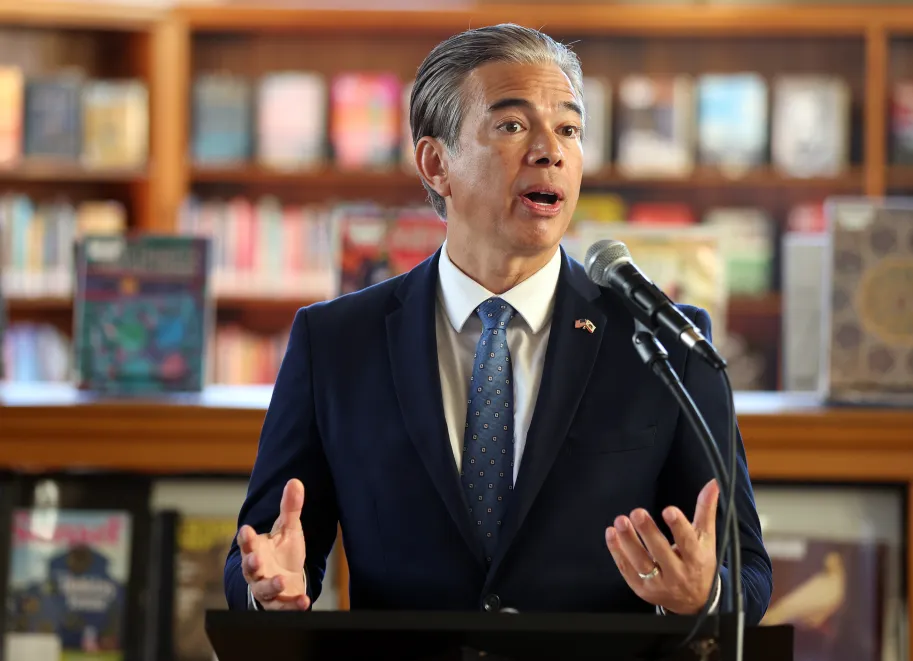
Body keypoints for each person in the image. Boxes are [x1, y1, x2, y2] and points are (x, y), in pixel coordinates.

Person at [224, 23, 772, 620]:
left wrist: (702, 597)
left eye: (569, 129)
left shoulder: (665, 343)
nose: (550, 150)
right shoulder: (334, 343)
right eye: (512, 126)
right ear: (437, 164)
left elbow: (746, 572)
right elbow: (258, 552)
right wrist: (264, 590)